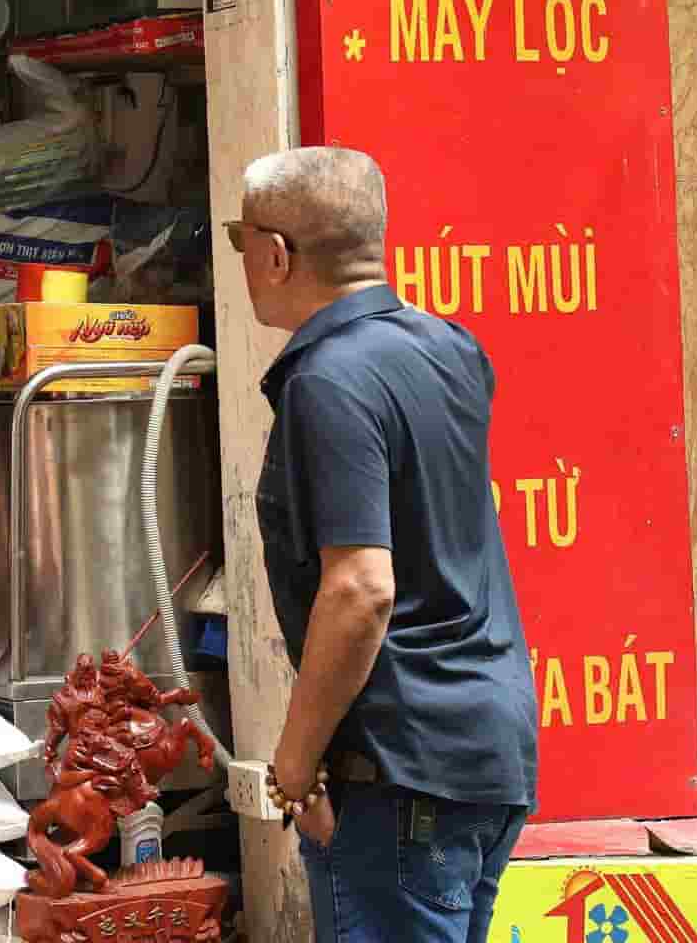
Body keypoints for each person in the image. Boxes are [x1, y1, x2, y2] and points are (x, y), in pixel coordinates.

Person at [231, 146, 537, 943]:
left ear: (275, 254)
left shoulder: (329, 380)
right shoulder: (449, 348)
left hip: (401, 777)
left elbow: (361, 590)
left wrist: (295, 765)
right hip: (482, 751)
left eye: (240, 240)